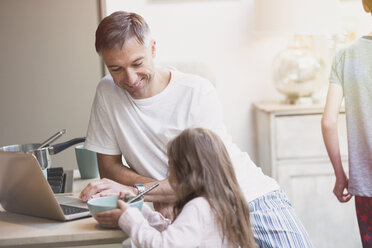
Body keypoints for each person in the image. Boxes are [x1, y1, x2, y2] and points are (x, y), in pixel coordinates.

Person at [80, 10, 312, 247]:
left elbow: (205, 179)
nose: (129, 78)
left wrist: (142, 189)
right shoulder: (107, 92)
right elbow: (108, 167)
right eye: (116, 69)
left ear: (153, 49)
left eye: (137, 63)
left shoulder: (196, 91)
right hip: (196, 212)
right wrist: (162, 191)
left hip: (250, 199)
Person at [95, 128, 257, 247]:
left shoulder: (199, 207)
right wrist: (141, 211)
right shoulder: (220, 201)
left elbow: (164, 245)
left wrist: (129, 219)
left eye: (172, 167)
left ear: (185, 172)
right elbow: (179, 235)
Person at [321, 1, 372, 247]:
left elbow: (329, 122)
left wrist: (341, 175)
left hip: (365, 186)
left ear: (366, 6)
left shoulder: (345, 56)